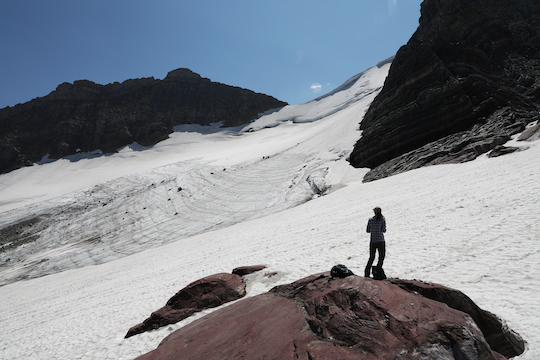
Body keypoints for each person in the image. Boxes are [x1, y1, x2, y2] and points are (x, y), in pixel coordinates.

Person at [364, 207, 386, 277]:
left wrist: (373, 230)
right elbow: (384, 230)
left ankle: (367, 273)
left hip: (373, 241)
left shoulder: (370, 220)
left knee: (371, 257)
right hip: (381, 241)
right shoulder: (382, 219)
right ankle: (377, 272)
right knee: (381, 257)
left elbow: (367, 230)